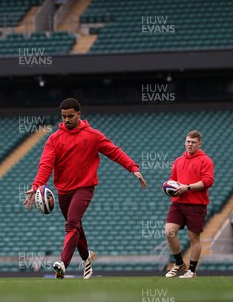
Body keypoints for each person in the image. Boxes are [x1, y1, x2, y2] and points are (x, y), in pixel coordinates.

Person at [23, 98, 147, 279]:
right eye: (63, 116)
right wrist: (36, 186)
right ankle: (86, 257)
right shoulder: (54, 139)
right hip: (63, 191)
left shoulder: (93, 135)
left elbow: (114, 151)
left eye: (70, 116)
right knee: (76, 226)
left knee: (72, 223)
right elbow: (45, 165)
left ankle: (62, 264)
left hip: (85, 188)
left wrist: (133, 168)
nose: (66, 120)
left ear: (79, 115)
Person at [164, 130, 214, 279]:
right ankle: (179, 263)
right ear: (185, 142)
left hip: (196, 205)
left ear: (199, 143)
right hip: (178, 204)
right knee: (169, 231)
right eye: (188, 142)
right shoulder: (178, 161)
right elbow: (172, 179)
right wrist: (169, 188)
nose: (190, 144)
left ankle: (191, 270)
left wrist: (187, 187)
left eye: (193, 142)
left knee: (193, 238)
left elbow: (208, 181)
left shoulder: (206, 161)